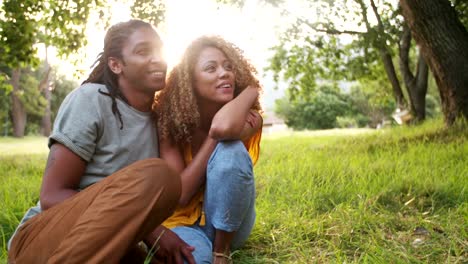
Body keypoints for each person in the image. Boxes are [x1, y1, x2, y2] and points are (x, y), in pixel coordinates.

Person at [7, 19, 184, 263]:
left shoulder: (159, 121)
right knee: (159, 176)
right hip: (40, 238)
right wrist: (151, 230)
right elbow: (51, 195)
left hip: (104, 241)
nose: (158, 59)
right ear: (115, 64)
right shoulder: (91, 100)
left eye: (159, 50)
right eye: (143, 51)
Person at [153, 35, 263, 264]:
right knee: (194, 261)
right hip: (183, 224)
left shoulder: (248, 117)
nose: (224, 73)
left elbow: (224, 127)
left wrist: (252, 88)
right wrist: (214, 136)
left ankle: (221, 252)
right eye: (210, 68)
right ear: (190, 82)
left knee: (230, 149)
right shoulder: (170, 123)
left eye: (229, 67)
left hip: (230, 224)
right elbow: (181, 195)